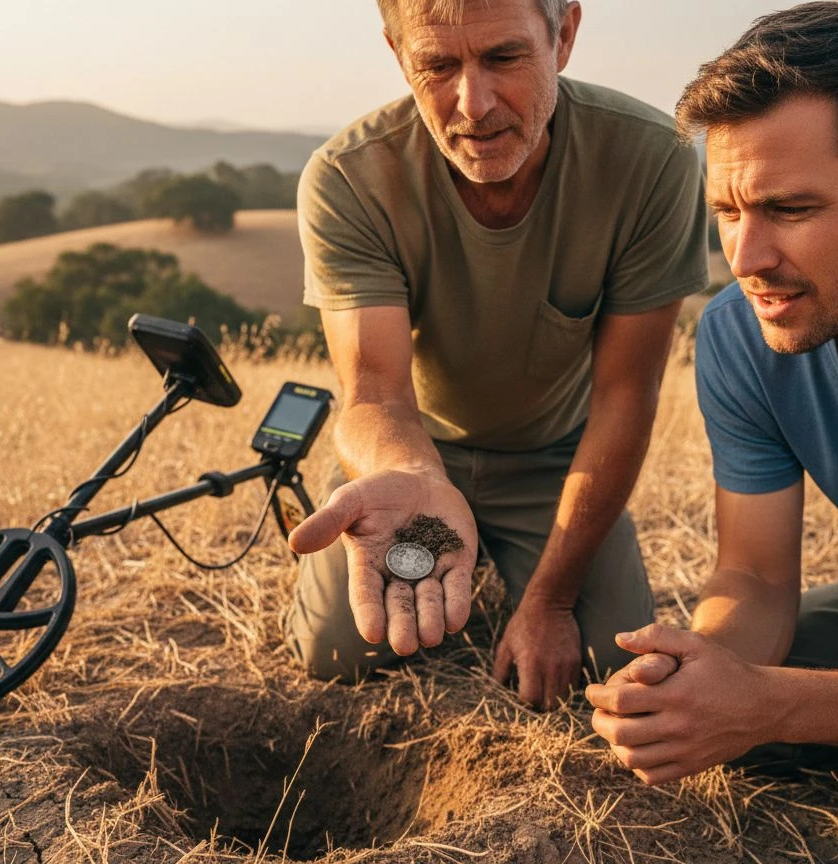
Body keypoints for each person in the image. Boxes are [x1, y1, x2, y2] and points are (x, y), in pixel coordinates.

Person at [583, 1, 838, 857]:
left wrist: (782, 702)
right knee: (728, 707)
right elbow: (756, 576)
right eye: (729, 211)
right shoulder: (744, 333)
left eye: (789, 208)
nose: (745, 261)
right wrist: (706, 673)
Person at [283, 0, 709, 708]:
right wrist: (416, 481)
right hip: (415, 457)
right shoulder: (348, 177)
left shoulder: (651, 161)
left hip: (557, 460)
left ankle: (513, 568)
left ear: (564, 34)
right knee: (337, 655)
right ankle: (452, 539)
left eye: (504, 58)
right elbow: (374, 394)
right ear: (397, 53)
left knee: (608, 661)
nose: (472, 105)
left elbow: (624, 398)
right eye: (438, 66)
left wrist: (551, 600)